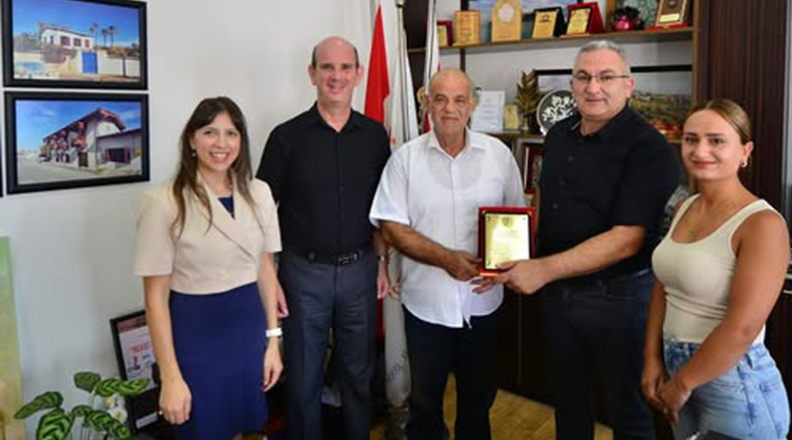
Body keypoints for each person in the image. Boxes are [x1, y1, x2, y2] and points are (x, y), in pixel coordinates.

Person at [474, 40, 679, 439]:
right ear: (572, 83)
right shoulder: (561, 135)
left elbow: (626, 240)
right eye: (584, 77)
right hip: (557, 295)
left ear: (628, 85)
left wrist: (541, 270)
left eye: (606, 77)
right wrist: (513, 256)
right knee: (568, 402)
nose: (593, 87)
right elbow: (544, 202)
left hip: (618, 300)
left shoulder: (649, 148)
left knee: (628, 412)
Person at [370, 68, 525, 440]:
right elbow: (391, 226)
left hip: (483, 303)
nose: (449, 108)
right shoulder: (404, 159)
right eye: (440, 99)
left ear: (472, 104)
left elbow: (517, 221)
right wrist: (446, 259)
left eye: (459, 99)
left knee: (478, 400)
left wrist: (504, 267)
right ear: (426, 105)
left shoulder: (498, 156)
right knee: (425, 403)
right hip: (426, 305)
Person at [256, 36, 391, 440]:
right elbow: (261, 213)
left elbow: (382, 210)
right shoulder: (286, 137)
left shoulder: (374, 136)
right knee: (303, 377)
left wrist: (383, 262)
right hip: (302, 274)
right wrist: (271, 277)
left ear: (359, 74)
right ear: (312, 74)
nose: (336, 76)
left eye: (345, 67)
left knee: (358, 373)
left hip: (360, 270)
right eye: (327, 68)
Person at [134, 97, 284, 440]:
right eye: (209, 132)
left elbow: (265, 267)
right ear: (191, 139)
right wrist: (171, 377)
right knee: (202, 428)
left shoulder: (259, 193)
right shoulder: (163, 202)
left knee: (238, 427)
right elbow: (155, 299)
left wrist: (273, 342)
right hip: (197, 336)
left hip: (247, 332)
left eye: (231, 133)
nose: (221, 144)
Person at [642, 99, 791, 440]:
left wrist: (682, 383)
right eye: (692, 139)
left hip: (734, 379)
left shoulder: (762, 223)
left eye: (716, 140)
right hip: (675, 366)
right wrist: (652, 358)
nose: (700, 150)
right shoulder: (684, 206)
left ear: (745, 151)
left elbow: (743, 327)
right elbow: (663, 286)